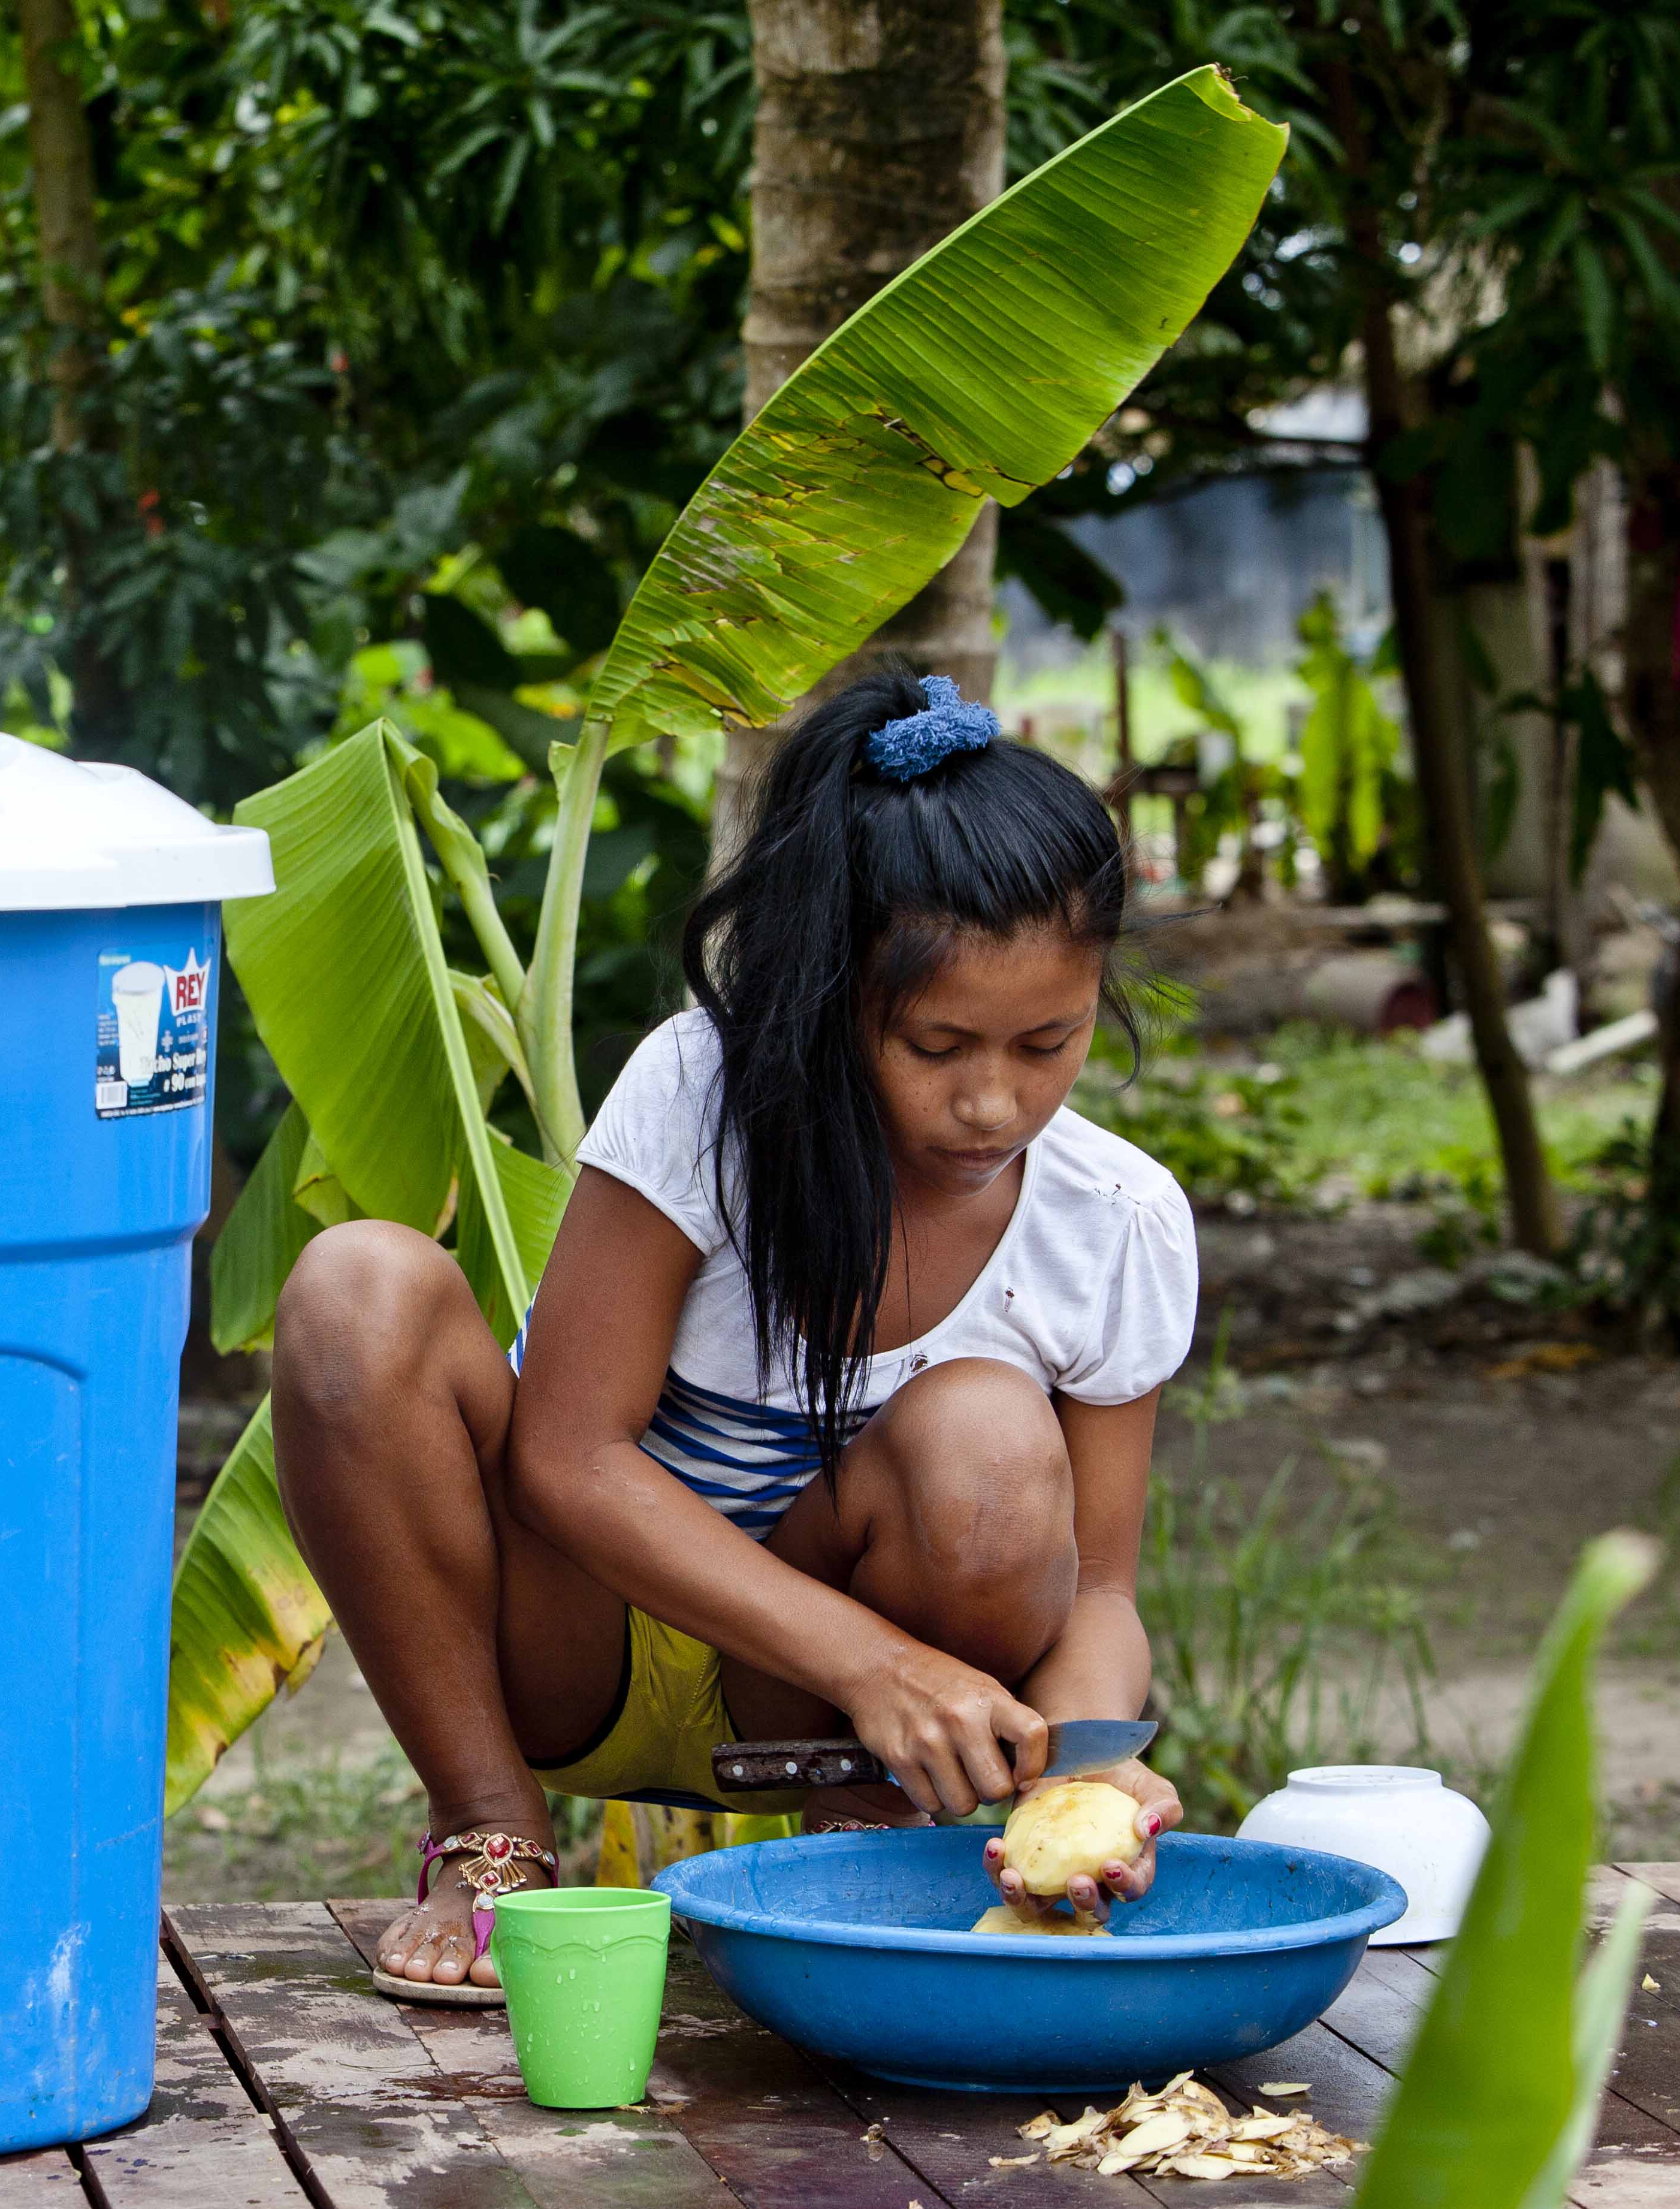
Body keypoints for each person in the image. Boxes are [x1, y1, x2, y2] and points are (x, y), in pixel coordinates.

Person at [275, 671, 1199, 2002]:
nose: (994, 1100)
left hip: (833, 1724)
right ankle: (489, 1827)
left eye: (1048, 1044)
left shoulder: (1114, 1219)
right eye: (937, 1044)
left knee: (990, 1438)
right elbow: (572, 1456)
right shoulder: (702, 1095)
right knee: (354, 1287)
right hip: (575, 1638)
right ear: (833, 996)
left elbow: (1098, 1593)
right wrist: (872, 1662)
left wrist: (1095, 1756)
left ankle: (870, 1851)